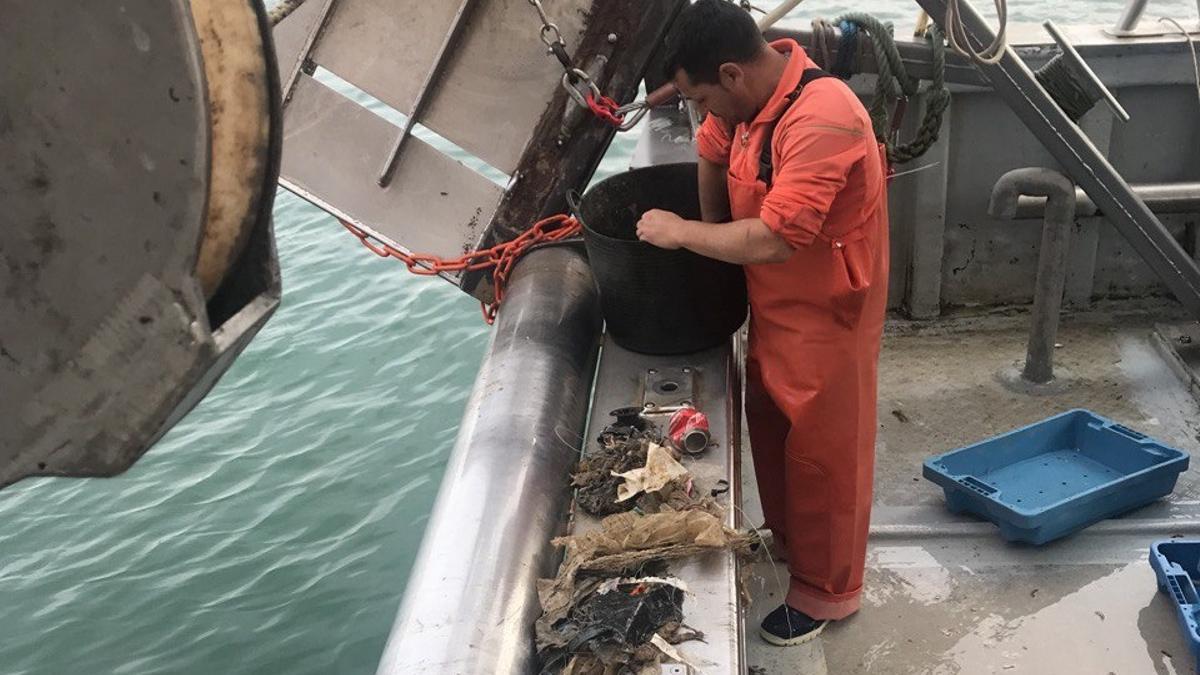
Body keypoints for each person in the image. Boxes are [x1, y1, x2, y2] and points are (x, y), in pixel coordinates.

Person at [636, 0, 889, 646]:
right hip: (774, 307)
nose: (702, 111)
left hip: (831, 312)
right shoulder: (744, 102)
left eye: (700, 98)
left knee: (825, 453)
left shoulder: (824, 119)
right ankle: (789, 542)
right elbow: (711, 153)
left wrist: (684, 234)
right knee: (774, 430)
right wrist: (715, 233)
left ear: (730, 75)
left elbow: (779, 236)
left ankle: (828, 592)